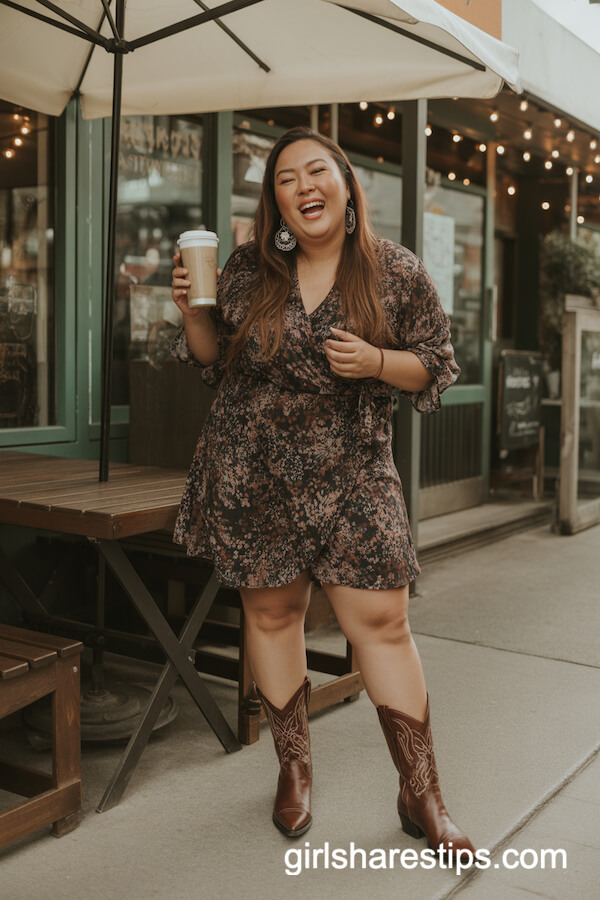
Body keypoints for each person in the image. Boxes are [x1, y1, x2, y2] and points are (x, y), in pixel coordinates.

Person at [170, 126, 474, 857]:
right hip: (255, 469)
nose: (302, 187)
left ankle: (422, 792)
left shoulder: (392, 271)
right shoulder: (248, 268)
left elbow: (436, 363)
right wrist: (192, 314)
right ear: (274, 201)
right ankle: (294, 769)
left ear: (344, 184)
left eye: (315, 172)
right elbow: (212, 360)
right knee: (273, 616)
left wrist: (376, 361)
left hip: (355, 469)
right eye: (285, 179)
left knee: (383, 623)